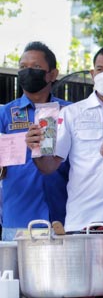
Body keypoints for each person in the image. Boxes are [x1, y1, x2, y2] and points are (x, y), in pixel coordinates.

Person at [24, 46, 103, 232]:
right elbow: (48, 166)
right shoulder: (71, 113)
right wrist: (36, 150)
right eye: (100, 70)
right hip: (85, 219)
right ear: (92, 74)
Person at [0, 41, 70, 240]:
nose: (28, 71)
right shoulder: (5, 114)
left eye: (36, 67)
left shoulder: (69, 112)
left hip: (64, 219)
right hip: (19, 220)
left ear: (52, 74)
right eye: (23, 67)